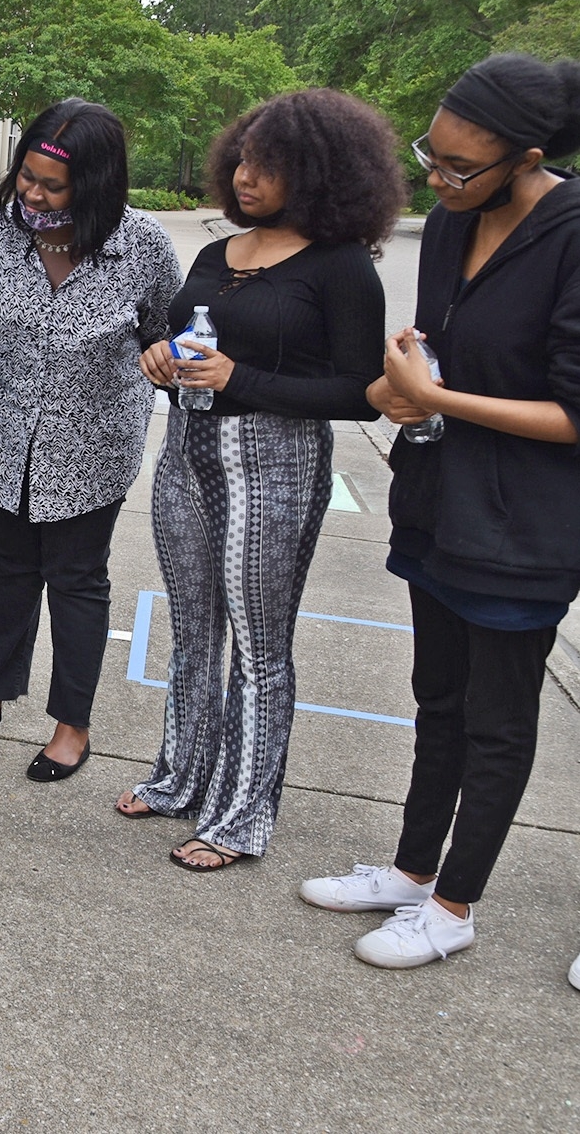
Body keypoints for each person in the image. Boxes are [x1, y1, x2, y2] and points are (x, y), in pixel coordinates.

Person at [300, 55, 580, 975]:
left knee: (497, 722)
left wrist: (443, 399)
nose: (437, 178)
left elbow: (573, 414)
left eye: (460, 167)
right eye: (434, 153)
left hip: (525, 527)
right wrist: (408, 385)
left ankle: (454, 907)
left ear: (529, 157)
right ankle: (414, 870)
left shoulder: (572, 235)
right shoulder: (458, 222)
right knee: (437, 701)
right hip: (441, 504)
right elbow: (442, 358)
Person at [121, 89, 404, 870]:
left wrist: (237, 377)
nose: (246, 177)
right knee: (193, 626)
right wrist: (161, 355)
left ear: (316, 174)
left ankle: (239, 817)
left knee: (258, 645)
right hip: (185, 454)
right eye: (243, 158)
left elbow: (359, 393)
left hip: (274, 468)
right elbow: (187, 339)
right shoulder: (218, 253)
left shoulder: (341, 267)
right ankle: (179, 778)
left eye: (269, 166)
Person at [0, 99, 181, 781]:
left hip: (93, 443)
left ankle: (73, 726)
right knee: (8, 569)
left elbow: (164, 326)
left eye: (52, 185)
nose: (33, 195)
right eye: (27, 177)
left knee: (76, 579)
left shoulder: (143, 245)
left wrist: (160, 352)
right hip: (6, 433)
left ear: (95, 184)